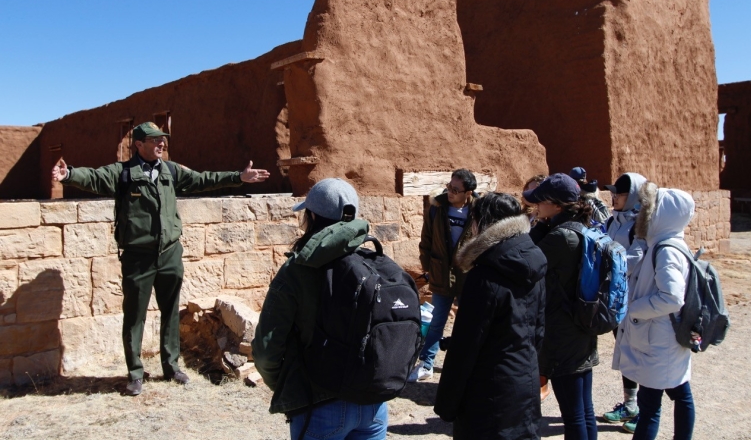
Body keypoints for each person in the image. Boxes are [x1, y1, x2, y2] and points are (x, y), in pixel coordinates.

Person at [51, 122, 270, 396]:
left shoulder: (170, 170)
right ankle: (134, 373)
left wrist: (239, 177)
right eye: (155, 140)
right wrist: (69, 174)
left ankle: (171, 367)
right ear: (139, 144)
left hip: (169, 254)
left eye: (163, 140)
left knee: (171, 313)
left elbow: (203, 179)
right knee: (135, 317)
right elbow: (95, 177)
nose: (161, 144)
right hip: (138, 258)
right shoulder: (123, 173)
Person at [253, 178, 388, 440]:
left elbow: (266, 351)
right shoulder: (371, 259)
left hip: (318, 404)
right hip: (372, 402)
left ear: (312, 216)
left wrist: (287, 385)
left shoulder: (296, 271)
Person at [434, 192, 546, 439]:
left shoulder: (484, 274)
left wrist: (446, 404)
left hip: (488, 390)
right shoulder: (534, 260)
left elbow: (466, 346)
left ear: (482, 224)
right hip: (523, 380)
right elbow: (539, 329)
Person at [612, 182, 696, 440]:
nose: (641, 214)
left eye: (648, 209)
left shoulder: (667, 250)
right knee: (676, 394)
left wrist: (632, 310)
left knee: (651, 406)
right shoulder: (660, 244)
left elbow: (671, 298)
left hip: (659, 339)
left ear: (662, 214)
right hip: (659, 337)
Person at [524, 173, 599, 440]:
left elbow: (528, 263)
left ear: (556, 205)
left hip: (562, 333)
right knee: (584, 410)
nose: (536, 207)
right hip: (580, 327)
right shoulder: (581, 227)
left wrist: (540, 226)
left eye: (541, 201)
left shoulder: (560, 238)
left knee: (574, 415)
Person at [409, 168, 478, 382]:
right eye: (449, 187)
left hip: (468, 275)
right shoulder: (437, 208)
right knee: (437, 321)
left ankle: (465, 365)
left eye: (456, 189)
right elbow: (426, 240)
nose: (450, 192)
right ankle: (427, 363)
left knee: (469, 321)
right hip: (441, 273)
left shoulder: (479, 211)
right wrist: (428, 266)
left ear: (469, 192)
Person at [600, 172, 648, 433]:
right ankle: (630, 404)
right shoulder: (612, 221)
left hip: (636, 299)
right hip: (617, 299)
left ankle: (646, 410)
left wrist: (607, 267)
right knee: (625, 351)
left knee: (639, 353)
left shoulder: (641, 223)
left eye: (618, 193)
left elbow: (635, 258)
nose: (613, 197)